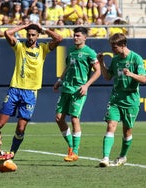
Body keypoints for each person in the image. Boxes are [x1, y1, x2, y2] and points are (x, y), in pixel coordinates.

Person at [0, 23, 63, 157]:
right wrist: (25, 25)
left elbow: (59, 38)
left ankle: (12, 153)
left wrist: (43, 28)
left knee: (21, 128)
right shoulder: (19, 47)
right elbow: (7, 33)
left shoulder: (43, 49)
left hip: (30, 93)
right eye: (29, 34)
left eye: (33, 35)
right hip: (15, 90)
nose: (30, 37)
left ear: (38, 36)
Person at [97, 33, 146, 167]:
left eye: (114, 47)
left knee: (127, 130)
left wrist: (131, 74)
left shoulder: (136, 58)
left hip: (131, 100)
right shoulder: (116, 59)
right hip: (116, 98)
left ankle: (123, 156)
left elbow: (144, 79)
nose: (112, 49)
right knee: (111, 125)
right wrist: (101, 63)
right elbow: (107, 77)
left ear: (123, 45)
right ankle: (105, 158)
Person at [53, 26, 101, 162]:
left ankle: (75, 151)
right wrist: (59, 80)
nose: (75, 37)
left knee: (74, 118)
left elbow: (97, 71)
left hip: (78, 90)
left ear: (85, 37)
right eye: (74, 35)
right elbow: (67, 67)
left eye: (78, 35)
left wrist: (86, 85)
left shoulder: (90, 52)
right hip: (66, 88)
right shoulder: (72, 51)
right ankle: (71, 146)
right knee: (58, 118)